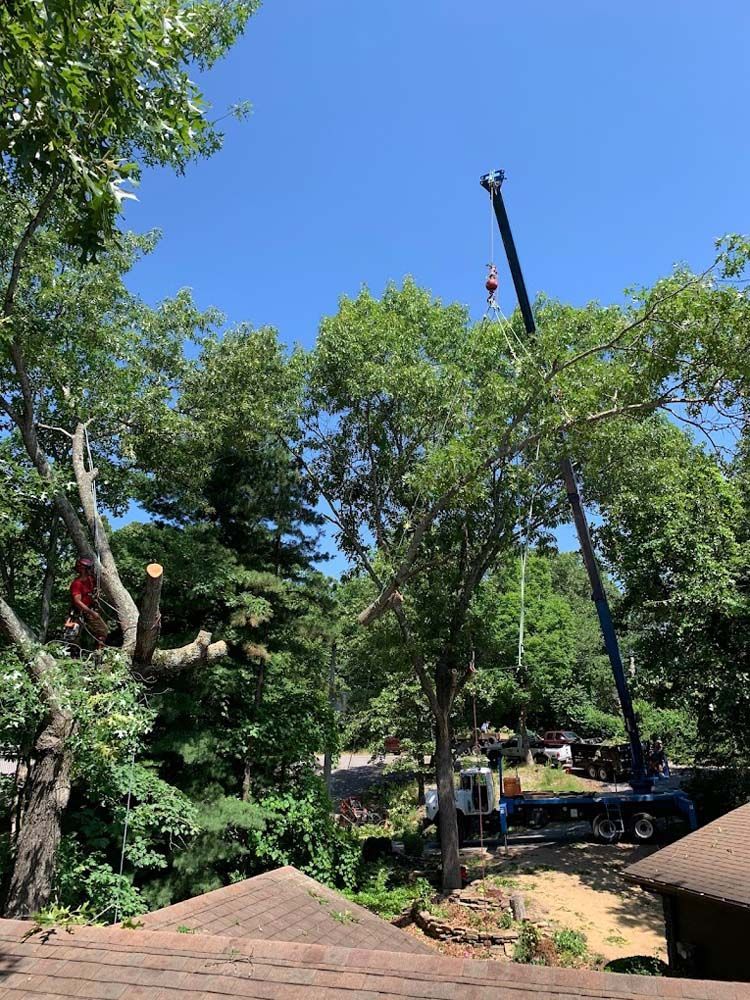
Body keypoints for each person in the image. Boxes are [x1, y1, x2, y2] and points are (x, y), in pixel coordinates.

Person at [69, 557, 108, 650]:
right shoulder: (77, 584)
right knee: (73, 635)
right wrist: (92, 613)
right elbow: (77, 601)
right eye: (89, 569)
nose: (90, 571)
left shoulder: (90, 579)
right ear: (83, 569)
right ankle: (71, 653)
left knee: (102, 630)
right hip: (80, 612)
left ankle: (98, 653)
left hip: (90, 609)